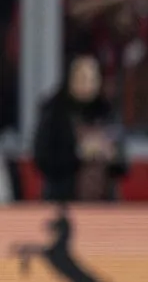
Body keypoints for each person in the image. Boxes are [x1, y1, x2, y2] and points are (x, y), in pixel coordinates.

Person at [34, 53, 128, 202]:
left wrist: (110, 154)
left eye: (92, 78)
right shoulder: (54, 113)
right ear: (70, 78)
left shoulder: (108, 113)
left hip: (104, 205)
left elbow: (124, 165)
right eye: (82, 78)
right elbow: (42, 159)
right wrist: (78, 152)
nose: (87, 84)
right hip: (62, 202)